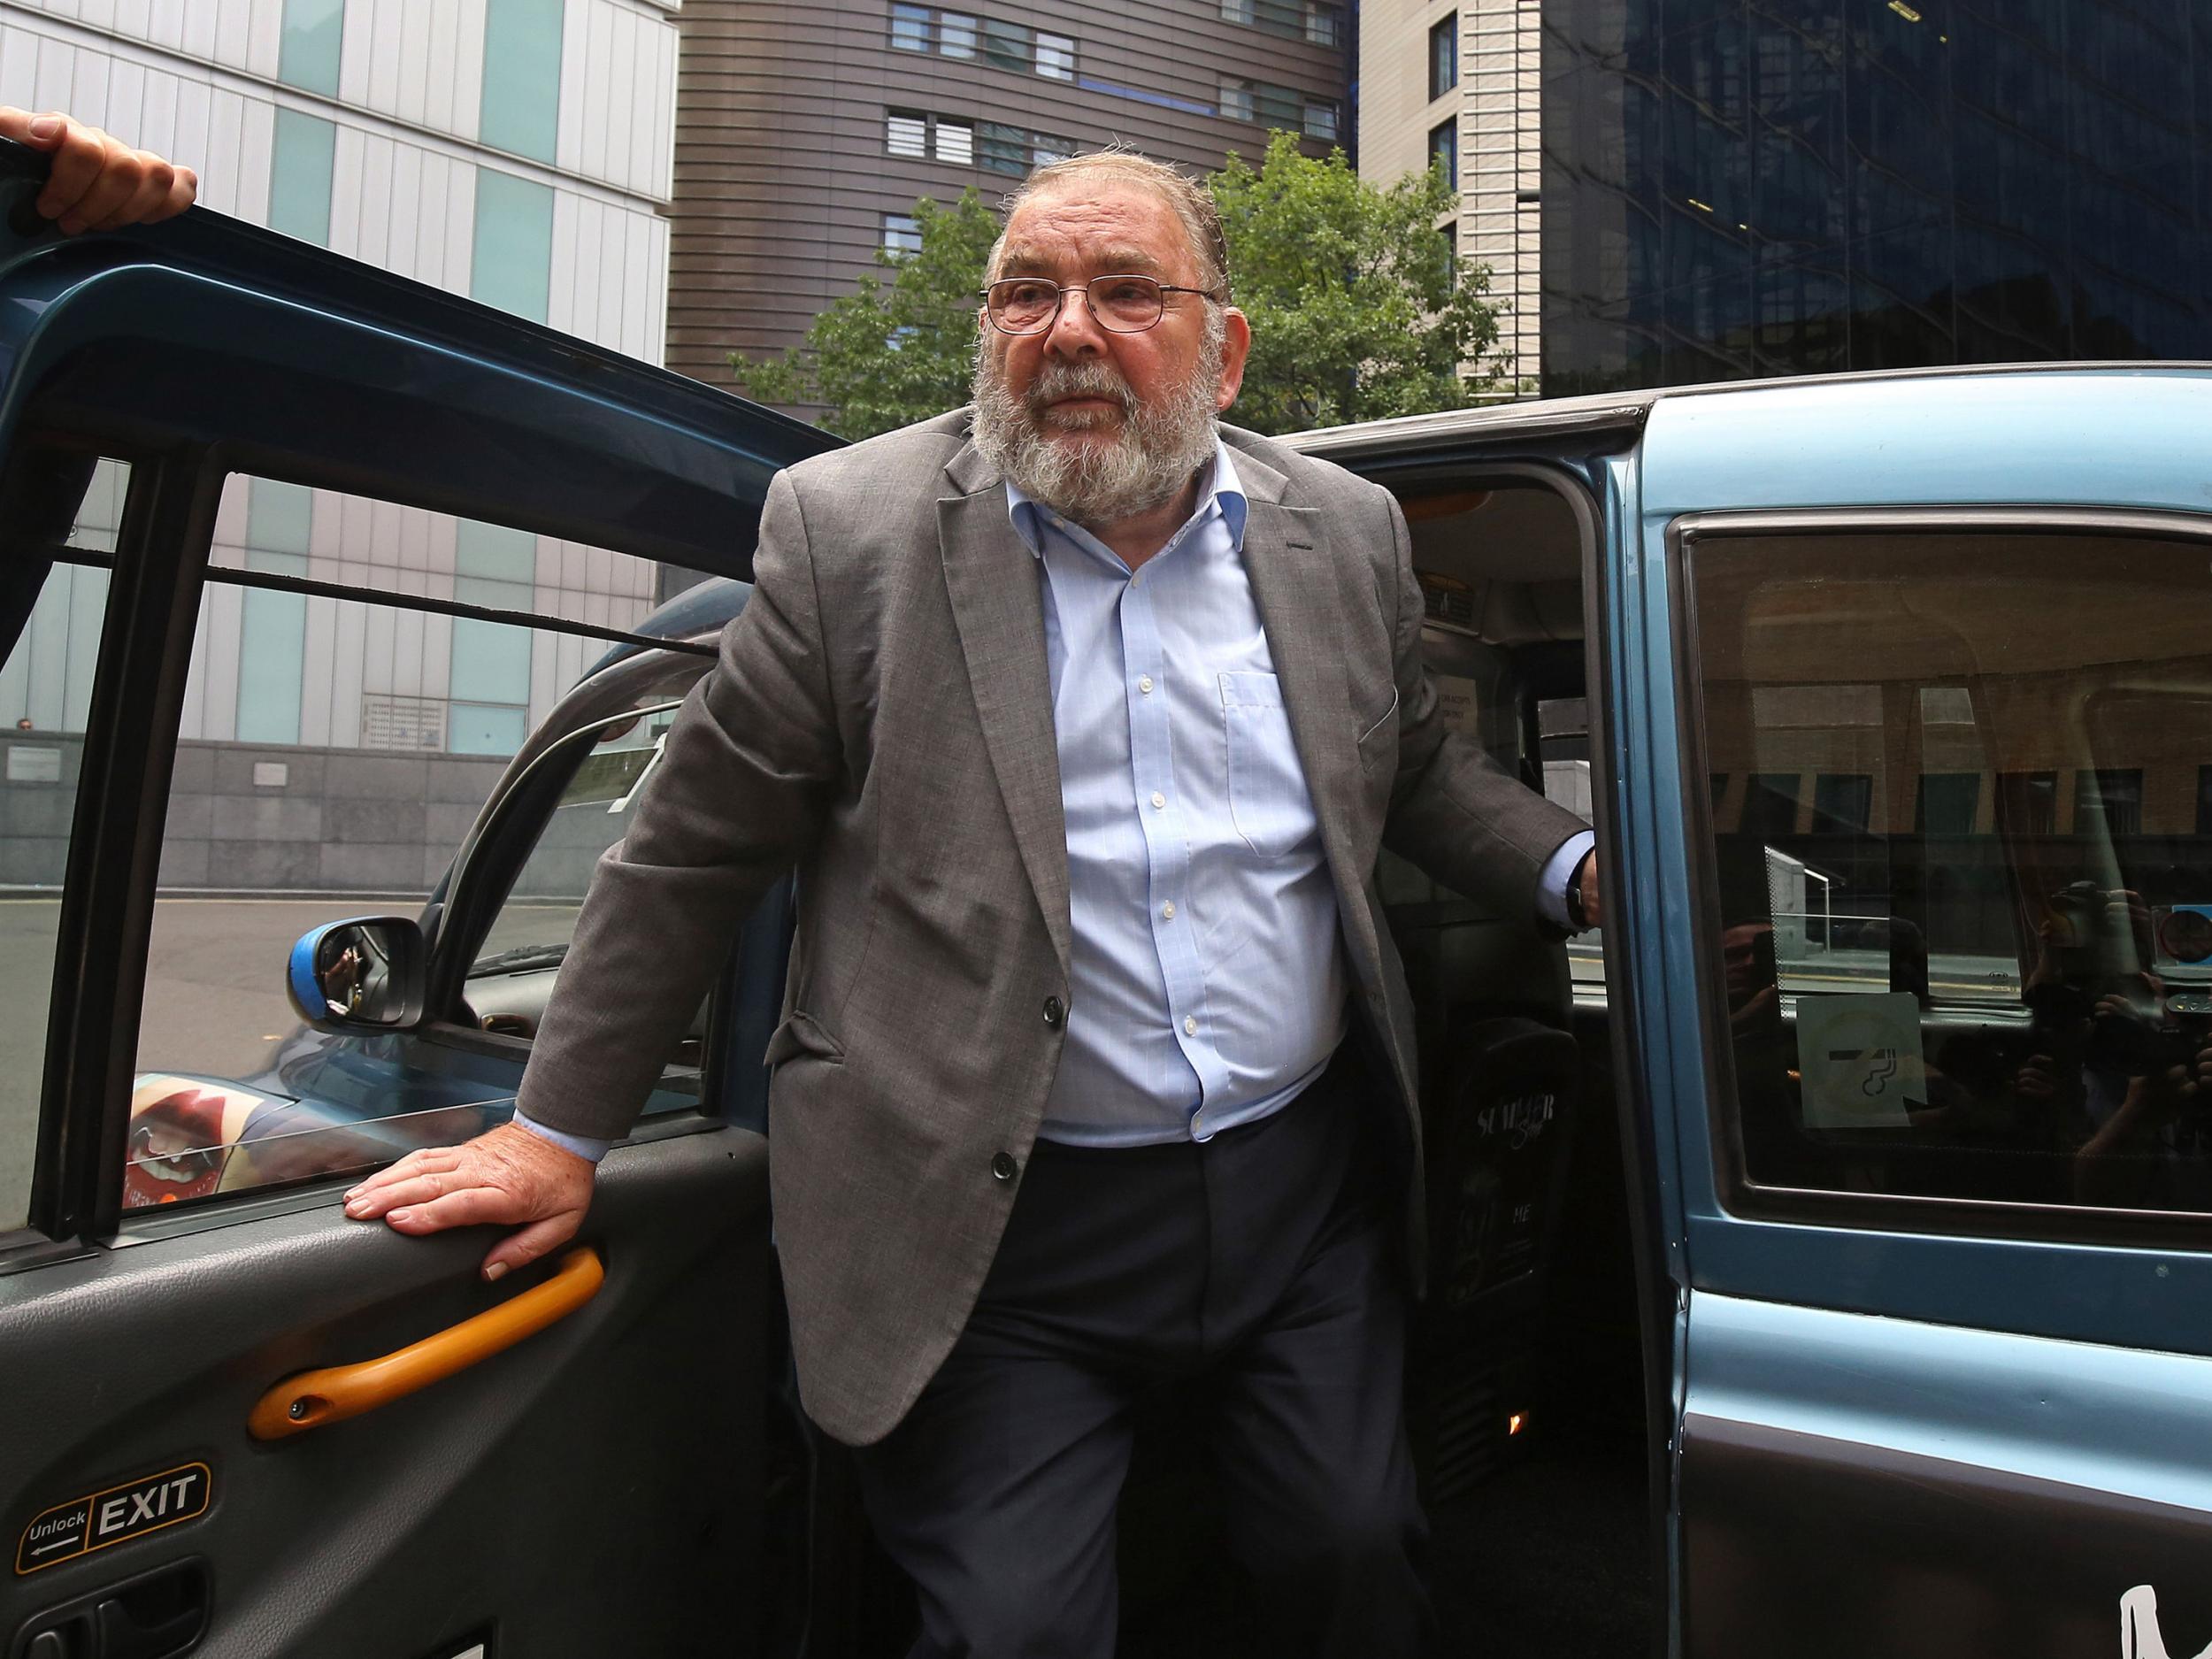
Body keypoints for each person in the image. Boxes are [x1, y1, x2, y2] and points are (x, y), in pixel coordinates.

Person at [334, 149, 1599, 1655]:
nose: (1069, 330)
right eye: (1026, 293)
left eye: (1127, 292)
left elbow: (1412, 777)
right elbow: (690, 849)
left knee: (1353, 1561)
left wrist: (1584, 872)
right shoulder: (845, 532)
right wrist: (554, 1135)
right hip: (993, 1226)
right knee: (1013, 1634)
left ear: (1223, 344)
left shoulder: (1339, 533)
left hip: (1299, 1192)